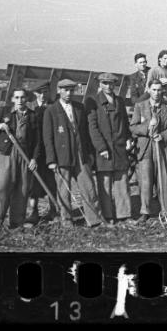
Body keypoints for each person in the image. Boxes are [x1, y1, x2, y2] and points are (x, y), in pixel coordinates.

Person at [43, 79, 103, 228]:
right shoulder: (51, 110)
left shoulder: (79, 108)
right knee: (64, 189)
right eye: (65, 90)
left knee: (88, 186)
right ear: (59, 91)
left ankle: (93, 218)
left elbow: (85, 133)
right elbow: (48, 137)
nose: (69, 93)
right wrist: (51, 160)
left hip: (80, 154)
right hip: (62, 156)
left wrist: (88, 154)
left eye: (71, 90)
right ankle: (67, 220)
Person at [0, 88, 40, 235]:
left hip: (25, 156)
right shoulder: (4, 112)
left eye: (23, 98)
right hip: (6, 154)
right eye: (17, 97)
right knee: (0, 187)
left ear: (27, 99)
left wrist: (34, 158)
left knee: (22, 189)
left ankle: (16, 224)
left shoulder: (33, 116)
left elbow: (38, 141)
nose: (20, 100)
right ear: (13, 99)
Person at [130, 79, 167, 224]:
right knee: (145, 181)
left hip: (163, 148)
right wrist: (147, 128)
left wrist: (163, 136)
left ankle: (165, 211)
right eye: (154, 90)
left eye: (159, 90)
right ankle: (145, 212)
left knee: (164, 180)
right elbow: (133, 127)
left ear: (162, 91)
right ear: (149, 90)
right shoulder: (140, 106)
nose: (157, 93)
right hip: (145, 148)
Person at [86, 73, 134, 225]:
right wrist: (101, 147)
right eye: (105, 83)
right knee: (105, 184)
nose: (108, 86)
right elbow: (92, 127)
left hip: (119, 148)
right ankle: (108, 215)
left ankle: (124, 215)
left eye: (111, 83)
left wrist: (127, 138)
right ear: (100, 84)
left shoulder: (119, 101)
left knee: (122, 182)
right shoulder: (93, 101)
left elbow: (125, 123)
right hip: (104, 150)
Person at [25, 80, 57, 225]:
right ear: (34, 94)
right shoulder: (29, 107)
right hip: (34, 152)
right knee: (34, 183)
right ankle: (33, 212)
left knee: (52, 182)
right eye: (39, 93)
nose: (42, 95)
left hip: (50, 151)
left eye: (45, 92)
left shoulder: (53, 107)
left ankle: (54, 210)